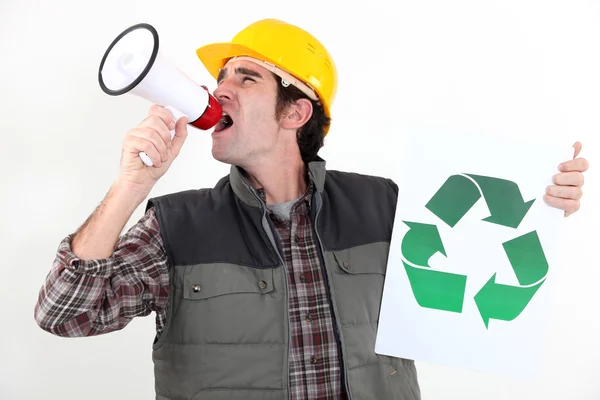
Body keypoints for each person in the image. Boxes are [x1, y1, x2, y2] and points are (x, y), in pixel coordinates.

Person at [34, 18, 589, 400]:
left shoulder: (384, 205)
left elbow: (480, 269)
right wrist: (131, 184)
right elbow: (63, 313)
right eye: (221, 76)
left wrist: (544, 205)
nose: (219, 89)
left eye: (244, 76)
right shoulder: (175, 226)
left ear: (296, 112)